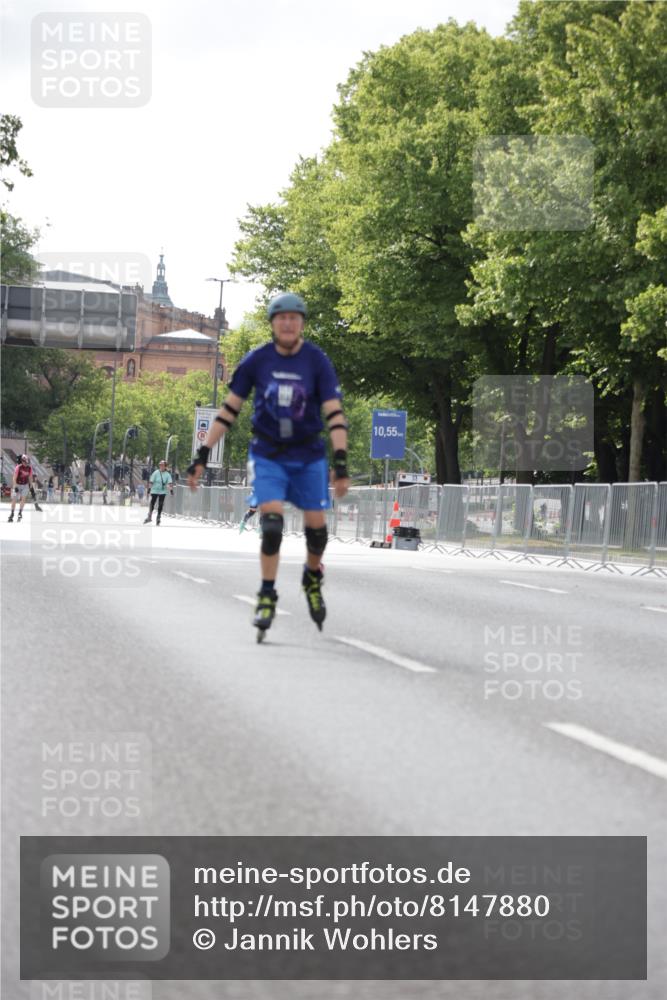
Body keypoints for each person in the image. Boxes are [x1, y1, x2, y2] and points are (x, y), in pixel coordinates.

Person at [187, 292, 350, 640]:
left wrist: (341, 461)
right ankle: (266, 593)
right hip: (268, 454)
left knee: (317, 533)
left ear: (302, 323)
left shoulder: (316, 361)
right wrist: (202, 454)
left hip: (308, 455)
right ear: (273, 324)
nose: (288, 323)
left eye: (295, 318)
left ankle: (310, 575)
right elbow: (229, 411)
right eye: (282, 318)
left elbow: (335, 413)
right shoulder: (256, 360)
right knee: (272, 525)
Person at [144, 459, 174, 526]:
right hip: (154, 490)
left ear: (165, 466)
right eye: (160, 465)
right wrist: (149, 490)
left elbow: (170, 483)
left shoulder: (167, 474)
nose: (161, 467)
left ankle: (158, 517)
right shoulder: (156, 472)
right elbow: (151, 481)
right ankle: (149, 516)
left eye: (163, 465)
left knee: (160, 504)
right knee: (152, 503)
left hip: (162, 491)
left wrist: (171, 491)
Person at [7, 454, 34, 522]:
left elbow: (30, 477)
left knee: (23, 499)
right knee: (14, 499)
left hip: (25, 485)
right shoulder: (18, 467)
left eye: (27, 462)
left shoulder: (29, 468)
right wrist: (15, 486)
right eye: (24, 462)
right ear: (22, 461)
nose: (26, 463)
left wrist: (31, 485)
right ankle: (12, 513)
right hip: (18, 484)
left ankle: (20, 513)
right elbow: (14, 478)